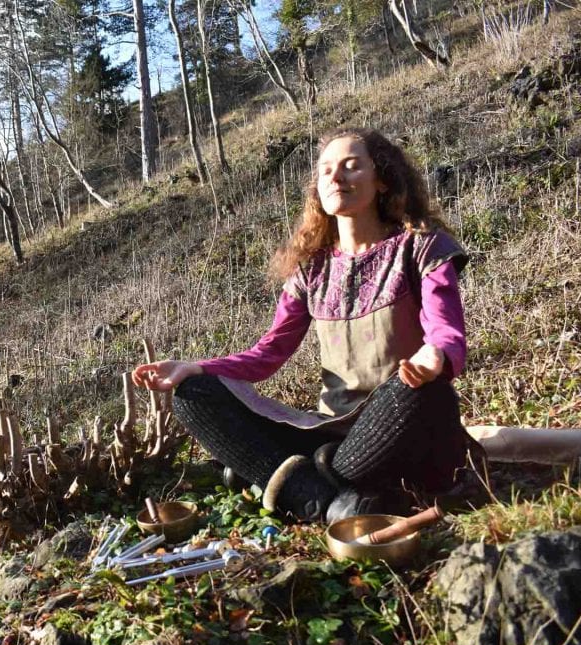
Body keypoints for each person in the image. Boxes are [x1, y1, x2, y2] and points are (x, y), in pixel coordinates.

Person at [133, 127, 471, 523]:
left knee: (426, 392)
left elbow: (446, 331)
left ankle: (291, 476)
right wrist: (196, 367)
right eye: (326, 169)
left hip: (399, 421)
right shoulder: (312, 268)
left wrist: (435, 356)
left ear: (382, 180)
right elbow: (268, 354)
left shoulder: (421, 246)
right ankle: (320, 497)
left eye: (351, 166)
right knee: (193, 394)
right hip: (331, 431)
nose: (335, 177)